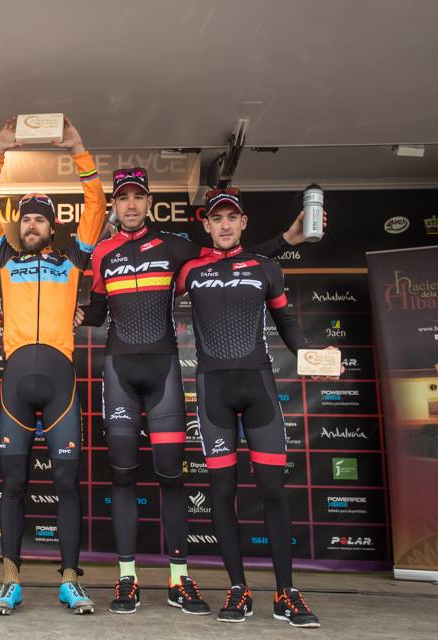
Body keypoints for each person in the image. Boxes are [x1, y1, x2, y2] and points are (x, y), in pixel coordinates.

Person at [79, 171, 320, 614]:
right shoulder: (102, 253)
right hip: (120, 373)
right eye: (123, 198)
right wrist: (62, 309)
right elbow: (93, 313)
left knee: (173, 477)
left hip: (166, 373)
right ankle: (127, 579)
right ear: (114, 205)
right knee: (123, 476)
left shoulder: (178, 250)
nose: (130, 205)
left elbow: (238, 257)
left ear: (148, 202)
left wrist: (287, 240)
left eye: (137, 197)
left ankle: (180, 579)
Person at [175, 188, 336, 628]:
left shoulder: (266, 267)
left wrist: (310, 357)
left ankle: (286, 593)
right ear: (206, 225)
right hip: (213, 392)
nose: (225, 224)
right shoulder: (190, 269)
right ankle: (237, 588)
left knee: (272, 491)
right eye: (217, 218)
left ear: (243, 222)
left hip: (259, 389)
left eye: (232, 217)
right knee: (221, 493)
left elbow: (286, 321)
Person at [0, 117, 105, 614]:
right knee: (12, 486)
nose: (30, 225)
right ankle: (10, 581)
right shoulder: (4, 260)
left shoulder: (71, 260)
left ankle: (70, 580)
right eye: (25, 219)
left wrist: (78, 149)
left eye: (39, 220)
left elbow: (96, 206)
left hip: (60, 386)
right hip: (14, 384)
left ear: (52, 228)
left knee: (67, 485)